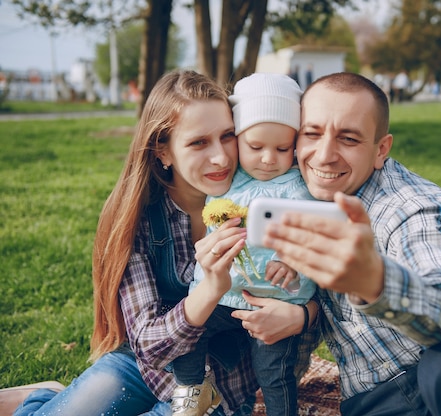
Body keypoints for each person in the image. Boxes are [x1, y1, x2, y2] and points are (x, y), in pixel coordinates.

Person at [4, 69, 317, 416]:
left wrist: (303, 315)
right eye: (199, 142)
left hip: (222, 384)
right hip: (142, 366)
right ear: (163, 152)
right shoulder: (136, 219)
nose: (222, 158)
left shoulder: (274, 195)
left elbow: (327, 290)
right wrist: (210, 287)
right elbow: (148, 348)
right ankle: (39, 400)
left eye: (228, 136)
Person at [260, 72, 441, 416]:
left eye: (348, 138)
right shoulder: (295, 202)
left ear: (381, 150)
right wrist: (301, 316)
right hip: (377, 400)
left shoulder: (413, 207)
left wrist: (374, 280)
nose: (325, 155)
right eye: (312, 133)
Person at [171, 73, 316, 416]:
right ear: (239, 139)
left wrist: (293, 260)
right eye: (255, 147)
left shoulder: (299, 187)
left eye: (282, 148)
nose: (268, 158)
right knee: (187, 334)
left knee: (275, 374)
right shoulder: (228, 177)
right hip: (224, 295)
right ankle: (193, 389)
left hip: (276, 303)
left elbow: (312, 231)